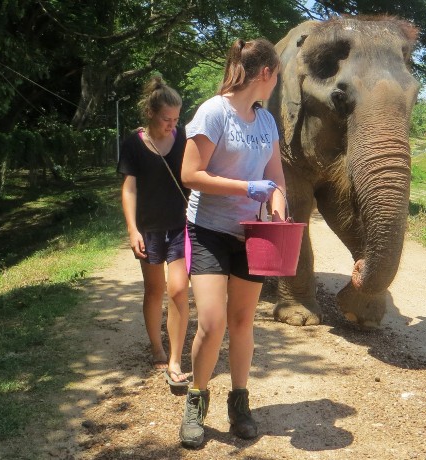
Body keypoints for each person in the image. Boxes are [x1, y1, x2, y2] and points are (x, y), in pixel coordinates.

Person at [177, 38, 286, 448]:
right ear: (265, 74)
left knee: (243, 322)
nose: (275, 83)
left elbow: (276, 179)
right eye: (276, 76)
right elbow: (190, 174)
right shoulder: (214, 112)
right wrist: (247, 186)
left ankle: (239, 401)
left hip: (252, 235)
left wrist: (278, 206)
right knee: (211, 320)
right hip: (208, 229)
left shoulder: (266, 122)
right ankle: (196, 400)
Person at [117, 76, 192, 389]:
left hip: (179, 226)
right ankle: (156, 347)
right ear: (150, 113)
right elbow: (129, 188)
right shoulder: (133, 144)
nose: (171, 126)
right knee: (155, 290)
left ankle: (175, 358)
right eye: (166, 119)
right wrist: (132, 229)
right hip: (148, 228)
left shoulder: (183, 137)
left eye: (176, 119)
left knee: (178, 290)